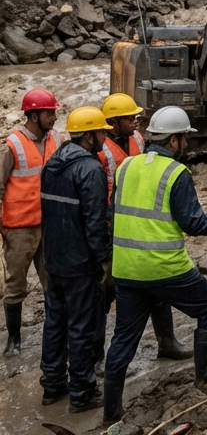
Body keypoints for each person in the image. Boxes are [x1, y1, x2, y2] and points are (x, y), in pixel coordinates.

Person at [102, 106, 207, 427]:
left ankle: (111, 414)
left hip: (126, 268)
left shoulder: (126, 166)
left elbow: (113, 213)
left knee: (123, 339)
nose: (186, 144)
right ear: (173, 140)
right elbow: (194, 224)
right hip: (164, 266)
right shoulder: (176, 173)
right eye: (184, 138)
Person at [95, 92, 190, 364]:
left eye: (137, 117)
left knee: (157, 285)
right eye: (129, 118)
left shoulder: (137, 140)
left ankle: (167, 341)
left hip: (144, 223)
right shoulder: (100, 150)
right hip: (114, 227)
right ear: (113, 122)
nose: (136, 122)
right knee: (105, 293)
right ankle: (96, 355)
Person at [39, 106, 112, 411]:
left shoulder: (52, 163)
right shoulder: (90, 169)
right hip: (80, 263)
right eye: (101, 133)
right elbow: (94, 223)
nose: (105, 138)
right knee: (82, 326)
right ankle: (82, 391)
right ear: (89, 135)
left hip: (53, 259)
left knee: (55, 321)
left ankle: (53, 384)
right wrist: (106, 261)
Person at [1, 88, 63, 356]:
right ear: (34, 115)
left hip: (48, 225)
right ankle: (13, 340)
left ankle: (55, 333)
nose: (54, 118)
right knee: (16, 284)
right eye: (50, 113)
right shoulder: (12, 145)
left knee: (52, 281)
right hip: (19, 228)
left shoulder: (57, 139)